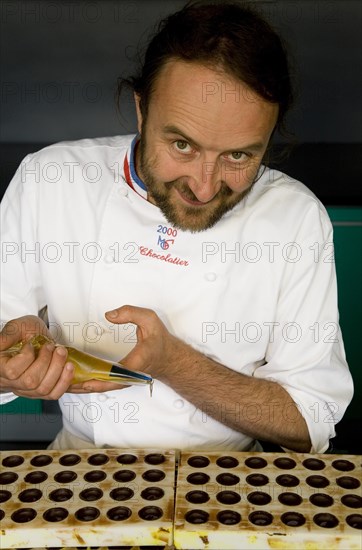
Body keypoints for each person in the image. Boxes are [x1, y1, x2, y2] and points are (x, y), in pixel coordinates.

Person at [0, 0, 353, 453]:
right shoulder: (50, 179)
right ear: (142, 110)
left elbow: (310, 420)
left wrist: (176, 364)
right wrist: (14, 364)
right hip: (80, 465)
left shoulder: (294, 219)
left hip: (233, 482)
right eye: (182, 144)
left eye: (239, 155)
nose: (204, 188)